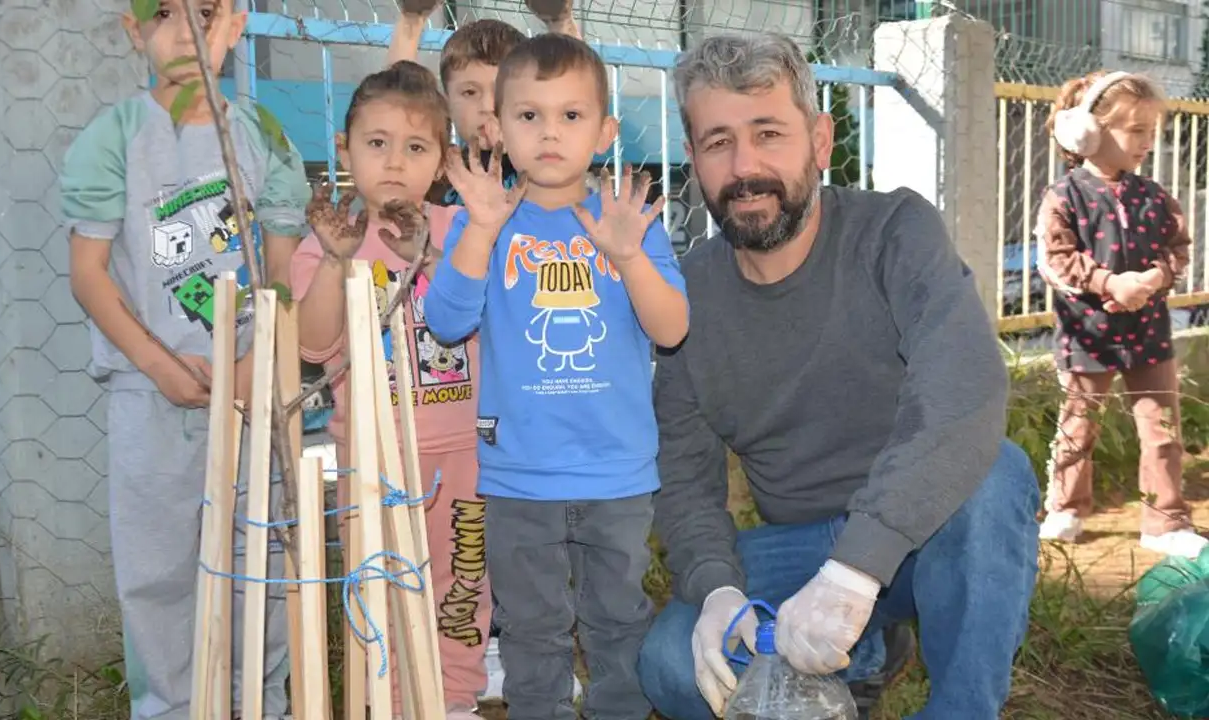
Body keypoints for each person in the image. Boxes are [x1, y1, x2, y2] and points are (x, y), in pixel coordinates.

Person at [634, 32, 1042, 720]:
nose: (745, 166)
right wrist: (716, 592)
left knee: (995, 476)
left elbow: (964, 395)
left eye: (769, 134)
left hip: (920, 537)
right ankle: (864, 650)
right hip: (802, 547)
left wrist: (855, 572)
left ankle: (956, 703)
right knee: (673, 666)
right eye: (717, 142)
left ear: (820, 141)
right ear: (694, 158)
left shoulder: (895, 234)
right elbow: (683, 478)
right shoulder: (682, 299)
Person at [424, 33, 689, 720]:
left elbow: (672, 328)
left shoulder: (628, 221)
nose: (549, 133)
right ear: (498, 128)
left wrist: (629, 256)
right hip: (518, 477)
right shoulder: (483, 222)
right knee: (531, 631)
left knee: (618, 624)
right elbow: (447, 322)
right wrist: (480, 231)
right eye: (529, 115)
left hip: (616, 474)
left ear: (604, 131)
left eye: (571, 116)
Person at [59, 2, 310, 718]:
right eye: (163, 12)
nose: (187, 31)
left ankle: (259, 704)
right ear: (133, 32)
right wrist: (159, 365)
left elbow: (284, 262)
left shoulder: (261, 136)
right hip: (151, 398)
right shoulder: (112, 140)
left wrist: (258, 355)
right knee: (160, 575)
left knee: (258, 562)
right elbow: (90, 274)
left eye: (206, 11)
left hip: (250, 394)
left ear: (235, 27)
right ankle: (170, 706)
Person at [290, 61, 491, 720]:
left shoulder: (463, 230)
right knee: (378, 587)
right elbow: (314, 348)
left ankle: (455, 700)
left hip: (464, 456)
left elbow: (491, 315)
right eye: (376, 144)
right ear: (346, 150)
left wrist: (432, 257)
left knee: (463, 585)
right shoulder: (328, 242)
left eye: (415, 147)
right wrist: (339, 262)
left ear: (441, 160)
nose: (395, 162)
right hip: (373, 462)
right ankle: (394, 704)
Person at [1034, 71, 1204, 558]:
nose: (1148, 142)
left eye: (1153, 131)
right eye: (1136, 130)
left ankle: (1166, 521)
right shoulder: (1064, 198)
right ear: (1087, 132)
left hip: (1149, 337)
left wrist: (1152, 280)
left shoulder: (1154, 197)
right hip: (1089, 338)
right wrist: (1111, 284)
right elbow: (1057, 258)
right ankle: (1066, 508)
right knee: (1078, 428)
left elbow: (1178, 248)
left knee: (1163, 431)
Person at [387, 0, 582, 206]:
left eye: (500, 91)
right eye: (470, 92)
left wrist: (560, 22)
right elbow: (393, 112)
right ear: (446, 102)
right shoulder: (440, 175)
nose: (488, 106)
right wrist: (411, 22)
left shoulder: (546, 164)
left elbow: (578, 96)